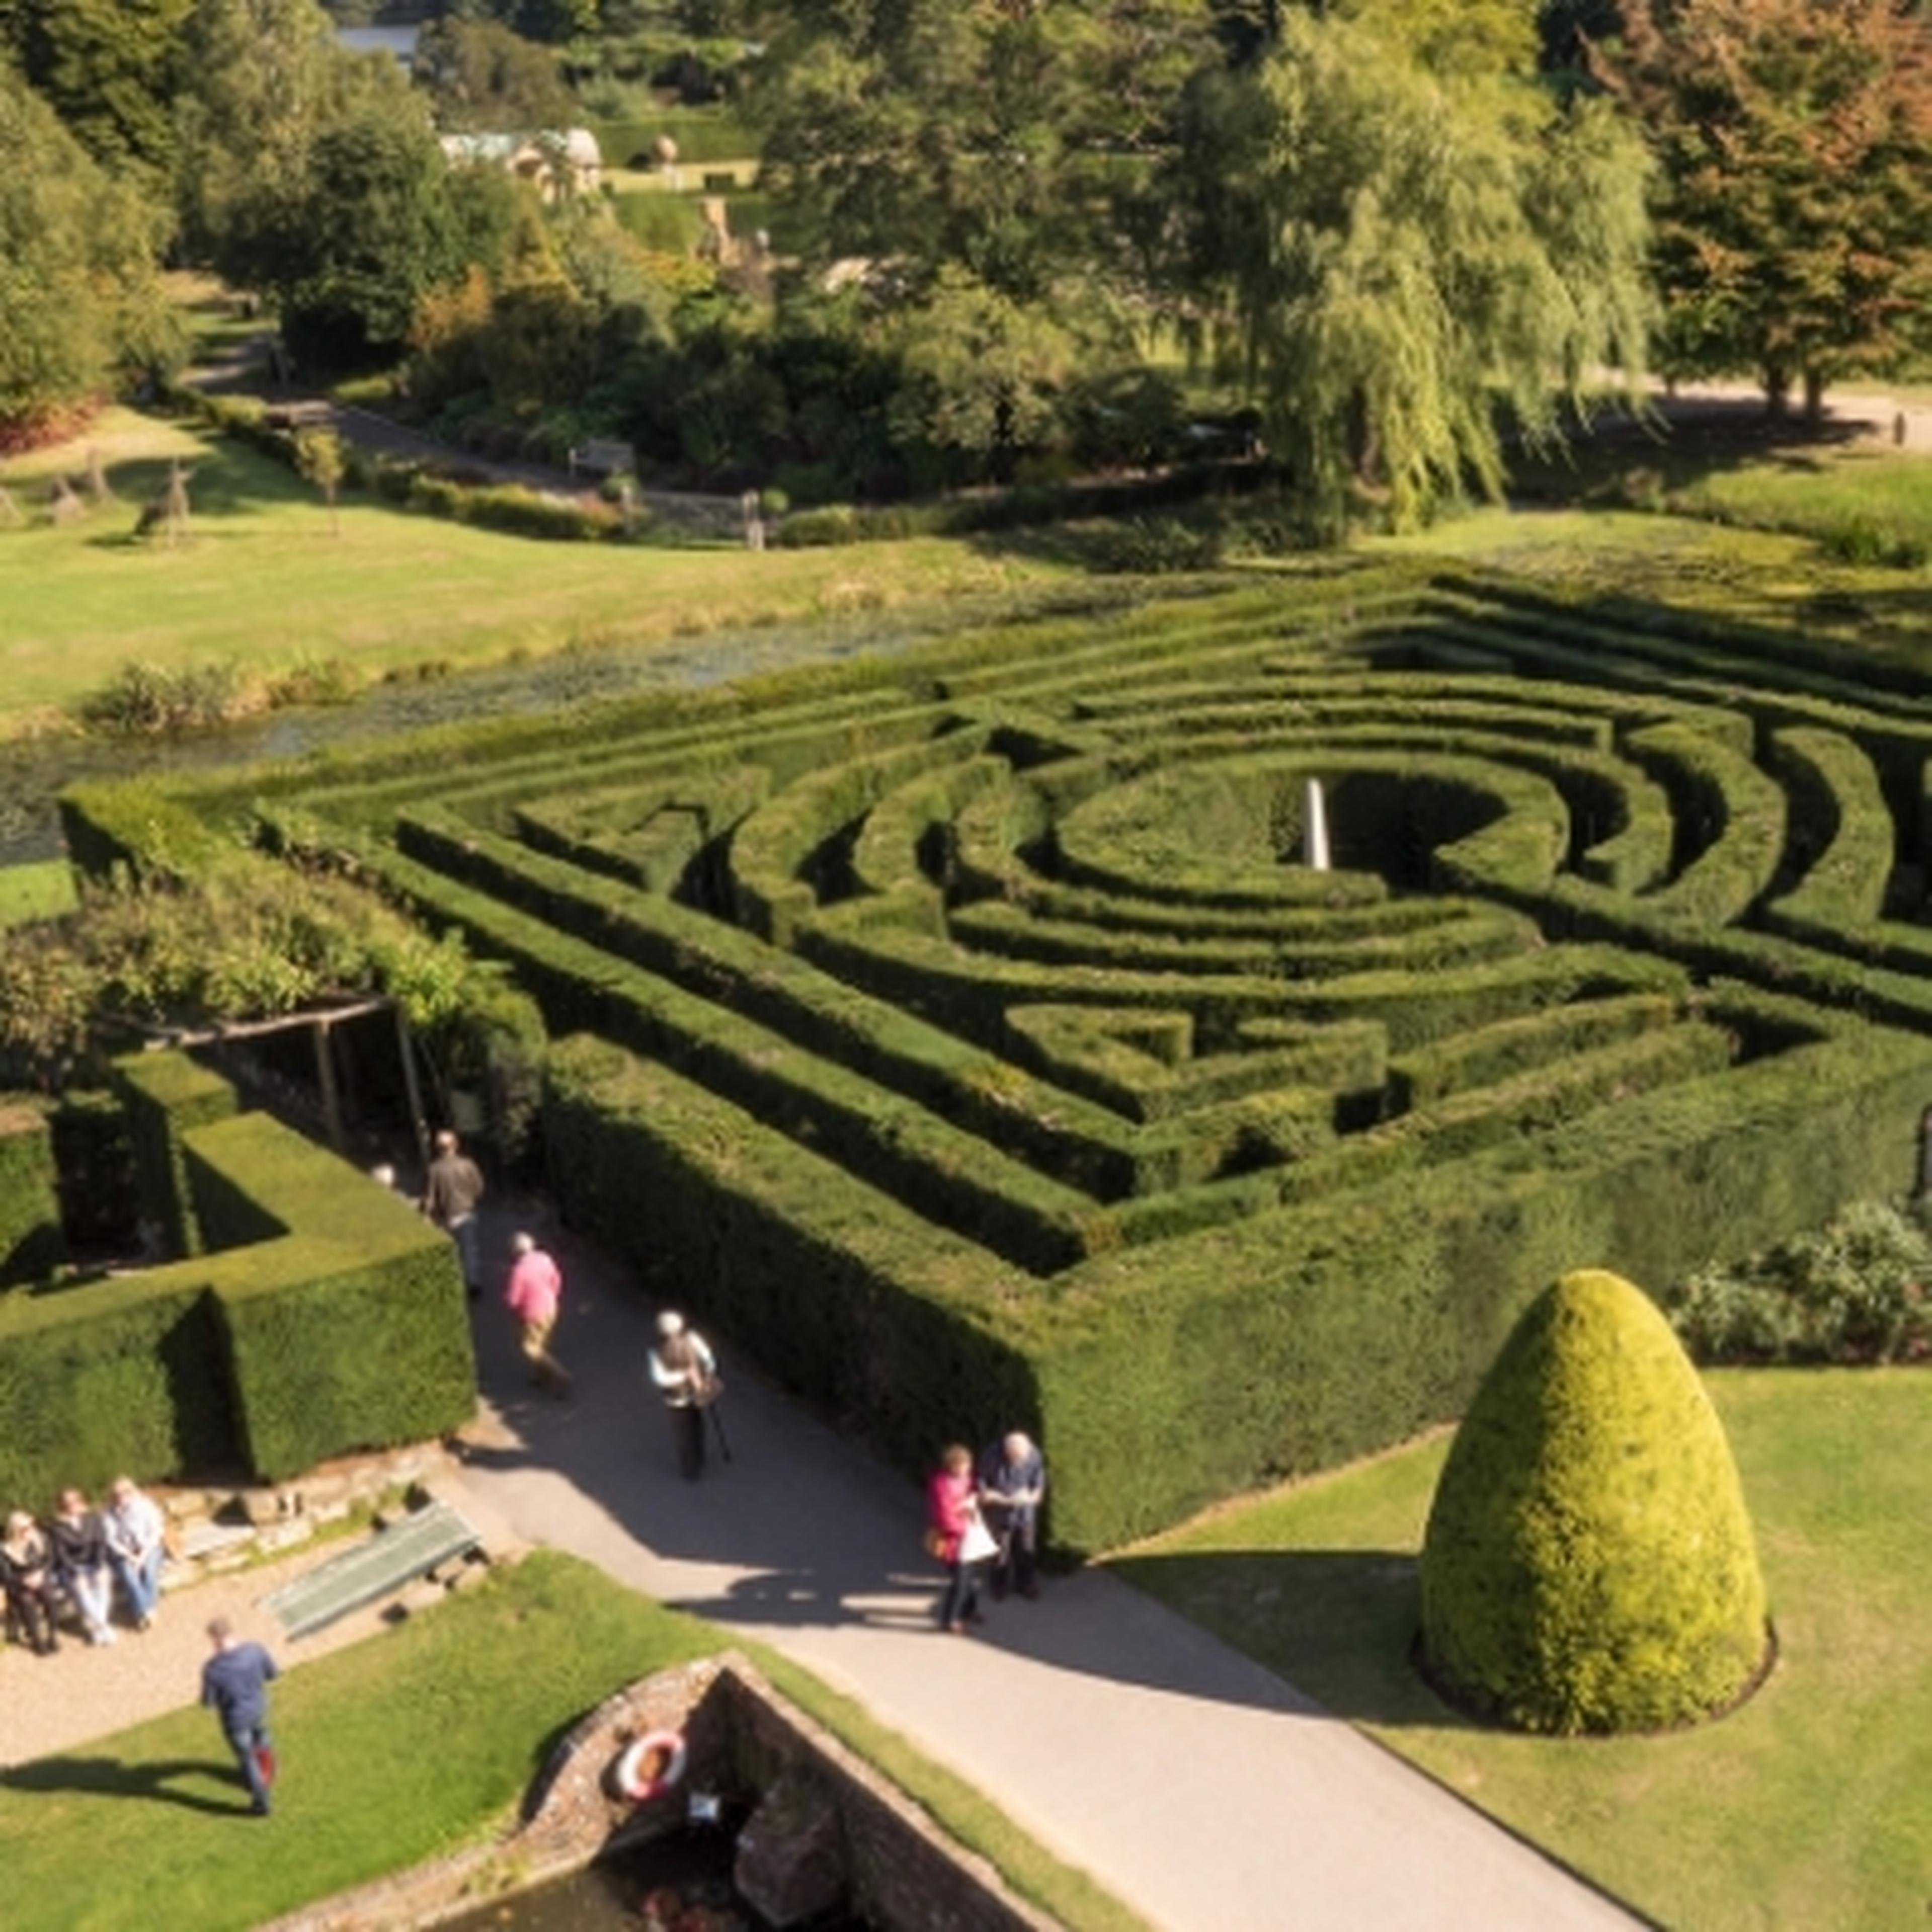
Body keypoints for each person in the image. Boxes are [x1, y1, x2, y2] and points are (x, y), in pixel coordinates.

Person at [202, 1618, 281, 1816]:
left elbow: (208, 1702)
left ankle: (261, 1803)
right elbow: (272, 1673)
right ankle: (269, 1772)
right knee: (262, 1741)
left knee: (248, 1761)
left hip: (235, 1720)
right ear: (232, 1632)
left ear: (214, 1639)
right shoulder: (255, 1651)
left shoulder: (213, 1669)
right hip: (258, 1708)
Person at [927, 1444, 990, 1635]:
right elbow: (945, 1517)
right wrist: (965, 1526)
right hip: (953, 1542)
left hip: (969, 1537)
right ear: (953, 1466)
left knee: (971, 1578)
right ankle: (951, 1619)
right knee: (961, 1581)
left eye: (968, 1465)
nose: (968, 1469)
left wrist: (977, 1499)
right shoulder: (941, 1486)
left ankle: (969, 1610)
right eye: (964, 1466)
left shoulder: (966, 1479)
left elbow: (971, 1494)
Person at [648, 1312, 718, 1480]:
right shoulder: (692, 1339)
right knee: (698, 1424)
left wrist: (680, 1376)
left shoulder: (656, 1351)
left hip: (675, 1399)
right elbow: (708, 1358)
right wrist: (707, 1373)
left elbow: (660, 1378)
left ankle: (691, 1469)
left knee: (683, 1434)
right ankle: (700, 1455)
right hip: (697, 1391)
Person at [978, 1431, 1046, 1601]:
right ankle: (999, 1586)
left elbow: (1038, 1480)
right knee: (1001, 1552)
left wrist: (1036, 1495)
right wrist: (988, 1495)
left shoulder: (1034, 1455)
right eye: (1014, 1458)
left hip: (1024, 1512)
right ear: (1007, 1451)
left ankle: (1025, 1584)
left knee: (1026, 1550)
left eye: (1022, 1459)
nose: (1019, 1462)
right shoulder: (992, 1455)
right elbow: (981, 1479)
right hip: (999, 1511)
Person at [421, 1129, 486, 1298]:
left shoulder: (434, 1169)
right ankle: (473, 1283)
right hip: (467, 1212)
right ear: (456, 1145)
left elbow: (430, 1196)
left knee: (452, 1251)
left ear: (438, 1148)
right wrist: (472, 1199)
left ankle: (453, 1285)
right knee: (469, 1249)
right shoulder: (468, 1165)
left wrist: (427, 1214)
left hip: (447, 1215)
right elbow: (479, 1187)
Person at [47, 1487, 115, 1646]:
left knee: (103, 1578)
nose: (72, 1506)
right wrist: (76, 1571)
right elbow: (60, 1554)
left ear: (81, 1501)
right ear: (61, 1506)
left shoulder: (93, 1518)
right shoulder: (56, 1527)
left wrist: (99, 1565)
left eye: (75, 1501)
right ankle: (103, 1626)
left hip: (94, 1562)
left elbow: (100, 1543)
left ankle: (98, 1626)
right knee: (81, 1584)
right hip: (71, 1567)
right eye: (67, 1503)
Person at [504, 1231, 570, 1395]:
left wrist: (509, 1302)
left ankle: (560, 1375)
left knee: (531, 1348)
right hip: (551, 1307)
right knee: (542, 1343)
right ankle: (541, 1377)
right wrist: (552, 1295)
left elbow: (513, 1300)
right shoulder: (545, 1258)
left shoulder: (519, 1271)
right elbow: (557, 1280)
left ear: (515, 1252)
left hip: (533, 1314)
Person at [104, 1475, 167, 1630]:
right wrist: (130, 1556)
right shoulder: (109, 1513)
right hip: (125, 1552)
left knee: (149, 1572)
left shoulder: (145, 1506)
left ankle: (142, 1613)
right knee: (129, 1576)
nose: (121, 1497)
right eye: (117, 1495)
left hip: (150, 1548)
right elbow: (111, 1540)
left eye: (125, 1493)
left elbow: (156, 1532)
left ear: (132, 1492)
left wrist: (142, 1556)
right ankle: (147, 1612)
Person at [1, 1510, 61, 1655]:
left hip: (40, 1576)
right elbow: (6, 1575)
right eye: (25, 1528)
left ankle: (52, 1636)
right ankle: (37, 1640)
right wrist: (23, 1581)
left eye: (31, 1526)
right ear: (15, 1530)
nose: (30, 1530)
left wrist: (42, 1574)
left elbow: (50, 1560)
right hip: (19, 1583)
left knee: (49, 1597)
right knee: (27, 1601)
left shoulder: (40, 1540)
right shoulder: (5, 1549)